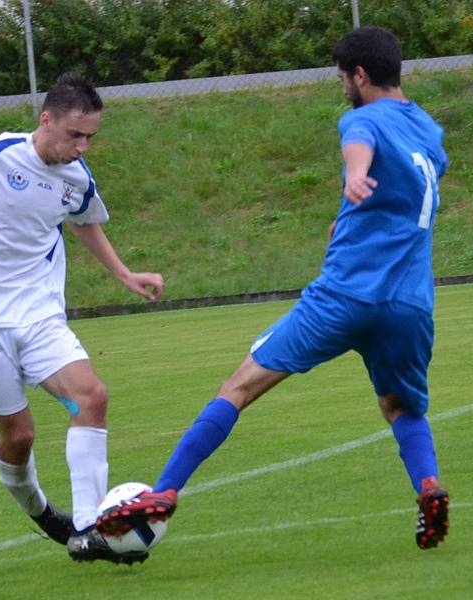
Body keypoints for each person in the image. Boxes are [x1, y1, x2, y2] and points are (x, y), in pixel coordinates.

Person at [96, 26, 450, 550]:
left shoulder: (361, 118)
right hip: (410, 304)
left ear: (359, 75)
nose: (343, 88)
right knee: (401, 407)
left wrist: (354, 175)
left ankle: (166, 491)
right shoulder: (429, 130)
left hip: (344, 297)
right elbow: (404, 192)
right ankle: (428, 483)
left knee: (237, 388)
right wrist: (348, 212)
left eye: (342, 78)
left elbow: (361, 144)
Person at [0, 73, 164, 565]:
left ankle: (90, 528)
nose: (82, 145)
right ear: (45, 120)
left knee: (91, 397)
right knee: (19, 436)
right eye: (74, 134)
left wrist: (124, 273)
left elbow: (84, 219)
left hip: (37, 314)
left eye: (90, 136)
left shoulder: (77, 176)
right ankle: (41, 510)